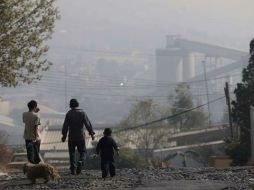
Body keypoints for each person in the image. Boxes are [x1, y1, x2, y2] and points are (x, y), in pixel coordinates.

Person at [61, 99, 95, 175]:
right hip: (80, 137)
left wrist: (64, 136)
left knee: (72, 153)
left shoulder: (68, 114)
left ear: (70, 105)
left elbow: (65, 126)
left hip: (71, 137)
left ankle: (73, 169)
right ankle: (81, 161)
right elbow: (87, 124)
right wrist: (91, 134)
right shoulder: (82, 113)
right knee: (83, 152)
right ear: (78, 104)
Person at [23, 100, 41, 164]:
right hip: (36, 138)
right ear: (35, 107)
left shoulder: (24, 114)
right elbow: (35, 127)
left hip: (27, 137)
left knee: (30, 154)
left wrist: (34, 111)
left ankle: (31, 167)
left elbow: (26, 120)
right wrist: (35, 138)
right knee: (36, 154)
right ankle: (36, 169)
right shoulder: (37, 116)